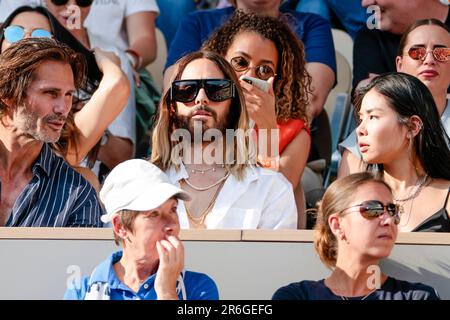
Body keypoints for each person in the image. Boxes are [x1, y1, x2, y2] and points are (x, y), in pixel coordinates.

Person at [151, 51, 297, 229]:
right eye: (187, 90)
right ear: (172, 106)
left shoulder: (272, 189)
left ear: (234, 107)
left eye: (216, 89)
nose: (201, 98)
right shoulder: (144, 182)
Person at [0, 6, 130, 190]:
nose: (26, 41)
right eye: (15, 33)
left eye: (40, 35)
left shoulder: (54, 119)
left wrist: (103, 59)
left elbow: (116, 85)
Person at [202, 10, 311, 227]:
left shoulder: (294, 133)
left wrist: (267, 127)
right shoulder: (199, 111)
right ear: (220, 61)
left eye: (264, 69)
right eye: (240, 62)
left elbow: (276, 200)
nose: (249, 75)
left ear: (279, 79)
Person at [64, 159, 219, 300]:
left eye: (173, 209)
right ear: (120, 226)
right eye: (154, 214)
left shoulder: (200, 288)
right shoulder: (81, 291)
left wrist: (167, 292)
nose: (172, 225)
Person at [272, 172, 440, 300]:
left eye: (392, 210)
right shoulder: (296, 296)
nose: (388, 220)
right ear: (337, 225)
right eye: (372, 209)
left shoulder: (417, 297)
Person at [164, 0, 336, 119]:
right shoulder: (197, 22)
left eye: (264, 69)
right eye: (240, 62)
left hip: (283, 149)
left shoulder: (313, 25)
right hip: (197, 144)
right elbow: (176, 89)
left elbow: (310, 100)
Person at [0, 38, 102, 227]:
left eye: (69, 95)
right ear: (9, 95)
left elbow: (82, 258)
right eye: (51, 93)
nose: (63, 108)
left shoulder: (77, 196)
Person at [339, 19, 450, 178]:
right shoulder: (373, 125)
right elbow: (346, 197)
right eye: (417, 52)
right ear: (400, 64)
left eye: (442, 53)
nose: (429, 60)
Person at [354, 73, 450, 232]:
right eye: (361, 118)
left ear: (412, 127)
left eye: (373, 117)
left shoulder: (447, 195)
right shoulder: (353, 197)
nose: (360, 130)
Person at [353, 0, 450, 92]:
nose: (365, 3)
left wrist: (394, 91)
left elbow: (386, 97)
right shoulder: (370, 36)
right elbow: (368, 96)